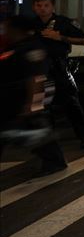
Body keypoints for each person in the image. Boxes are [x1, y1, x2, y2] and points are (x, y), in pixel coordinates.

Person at [1, 15, 68, 175]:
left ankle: (55, 161)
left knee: (30, 128)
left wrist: (34, 103)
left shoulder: (32, 48)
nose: (5, 31)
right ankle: (54, 160)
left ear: (17, 29)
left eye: (7, 27)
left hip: (21, 96)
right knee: (24, 129)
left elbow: (36, 78)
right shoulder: (15, 47)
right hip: (11, 96)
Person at [30, 0, 84, 148]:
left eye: (46, 5)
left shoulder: (63, 22)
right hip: (40, 70)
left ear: (52, 7)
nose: (42, 9)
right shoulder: (31, 24)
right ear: (34, 7)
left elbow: (83, 40)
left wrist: (60, 37)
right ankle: (48, 142)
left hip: (59, 67)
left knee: (71, 103)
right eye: (39, 5)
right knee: (42, 107)